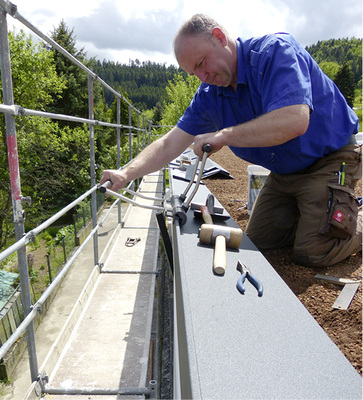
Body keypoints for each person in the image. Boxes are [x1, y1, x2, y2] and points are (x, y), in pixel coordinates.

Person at [101, 14, 362, 267]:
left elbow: (295, 120)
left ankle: (348, 221)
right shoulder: (210, 94)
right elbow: (170, 143)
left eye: (202, 62)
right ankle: (312, 213)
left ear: (219, 37)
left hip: (330, 159)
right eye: (194, 73)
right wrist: (126, 173)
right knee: (258, 242)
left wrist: (224, 135)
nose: (203, 77)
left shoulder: (275, 53)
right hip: (286, 173)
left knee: (313, 251)